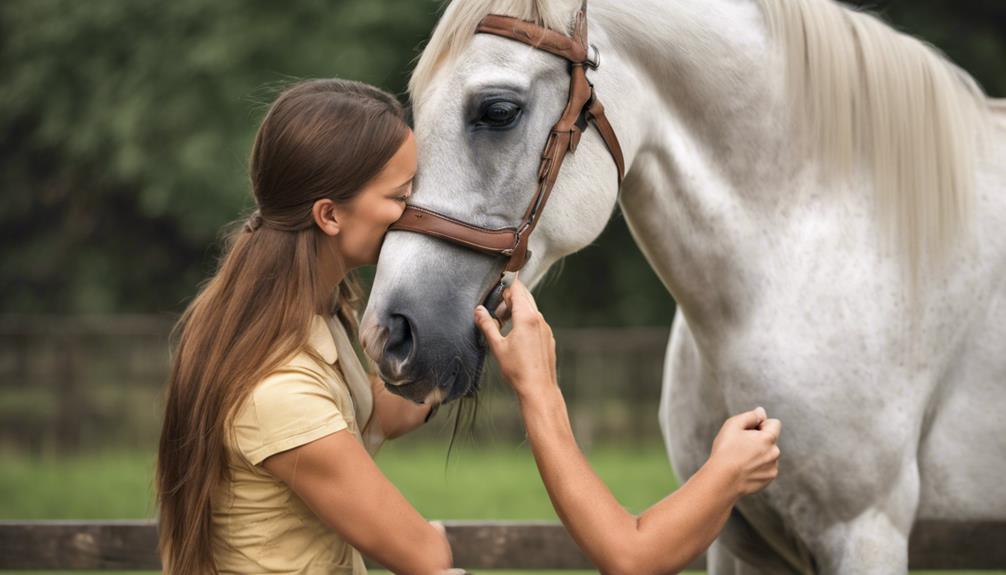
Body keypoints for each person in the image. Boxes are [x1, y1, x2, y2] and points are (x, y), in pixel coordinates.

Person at [156, 79, 456, 574]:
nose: (416, 213)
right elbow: (423, 556)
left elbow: (374, 418)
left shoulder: (315, 313)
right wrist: (433, 539)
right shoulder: (278, 386)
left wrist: (452, 332)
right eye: (402, 196)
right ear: (330, 215)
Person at [474, 280, 782, 574]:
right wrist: (729, 472)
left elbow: (642, 555)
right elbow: (632, 560)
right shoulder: (426, 548)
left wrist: (542, 387)